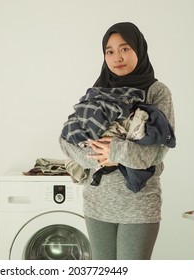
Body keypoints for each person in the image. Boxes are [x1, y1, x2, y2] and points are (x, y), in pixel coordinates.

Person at [59, 22, 175, 260]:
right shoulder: (96, 90)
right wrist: (98, 159)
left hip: (138, 205)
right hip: (97, 202)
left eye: (124, 48)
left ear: (138, 49)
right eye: (109, 51)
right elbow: (65, 139)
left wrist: (115, 152)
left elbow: (157, 150)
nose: (117, 57)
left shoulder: (157, 91)